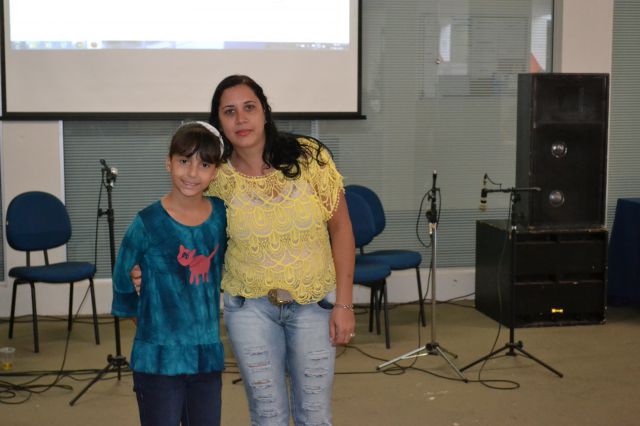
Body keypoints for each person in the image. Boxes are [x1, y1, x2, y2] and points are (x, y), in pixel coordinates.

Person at [207, 74, 356, 425]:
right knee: (267, 415)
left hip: (316, 306)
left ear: (265, 112)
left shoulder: (310, 157)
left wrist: (344, 304)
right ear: (219, 123)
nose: (241, 119)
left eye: (249, 107)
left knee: (314, 416)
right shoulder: (215, 177)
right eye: (229, 111)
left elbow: (342, 229)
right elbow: (191, 233)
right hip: (249, 310)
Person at [112, 121, 227, 426]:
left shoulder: (221, 217)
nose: (192, 173)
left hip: (205, 358)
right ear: (168, 162)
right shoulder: (147, 222)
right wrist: (148, 323)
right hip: (158, 362)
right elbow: (122, 281)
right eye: (184, 161)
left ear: (215, 172)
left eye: (204, 165)